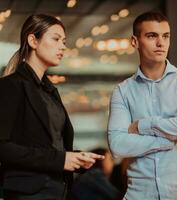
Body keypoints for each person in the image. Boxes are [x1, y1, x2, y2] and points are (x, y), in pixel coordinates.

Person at [0, 14, 103, 200]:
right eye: (56, 39)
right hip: (28, 193)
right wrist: (61, 160)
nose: (62, 46)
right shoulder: (10, 86)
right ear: (33, 40)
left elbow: (50, 143)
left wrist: (75, 158)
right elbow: (2, 147)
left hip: (58, 191)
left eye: (64, 41)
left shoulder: (50, 92)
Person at [108, 11, 177, 200]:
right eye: (152, 36)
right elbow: (118, 144)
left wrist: (142, 126)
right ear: (135, 42)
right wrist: (167, 140)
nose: (161, 43)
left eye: (166, 36)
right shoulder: (123, 91)